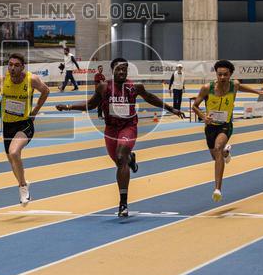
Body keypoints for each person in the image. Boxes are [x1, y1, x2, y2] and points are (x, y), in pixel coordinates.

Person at [57, 58, 185, 217]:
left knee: (120, 155)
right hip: (111, 129)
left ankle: (123, 203)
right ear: (112, 71)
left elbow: (150, 98)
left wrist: (171, 108)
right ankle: (130, 159)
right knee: (119, 161)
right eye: (118, 69)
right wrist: (68, 107)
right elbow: (90, 105)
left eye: (124, 69)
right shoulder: (104, 87)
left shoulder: (134, 87)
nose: (122, 72)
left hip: (128, 127)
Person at [0, 52, 50, 206]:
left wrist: (35, 112)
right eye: (10, 65)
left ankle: (23, 188)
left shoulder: (31, 79)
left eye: (16, 65)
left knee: (14, 152)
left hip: (24, 124)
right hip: (7, 125)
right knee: (12, 160)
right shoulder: (2, 79)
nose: (12, 68)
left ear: (22, 67)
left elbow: (46, 91)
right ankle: (23, 182)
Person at [192, 60, 263, 202]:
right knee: (216, 156)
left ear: (230, 74)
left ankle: (217, 189)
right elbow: (195, 106)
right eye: (219, 74)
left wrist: (259, 92)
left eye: (225, 75)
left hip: (225, 125)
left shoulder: (233, 85)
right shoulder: (206, 88)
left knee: (217, 149)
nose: (222, 77)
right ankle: (226, 152)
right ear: (216, 74)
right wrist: (204, 117)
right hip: (210, 127)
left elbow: (242, 87)